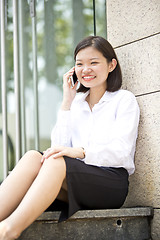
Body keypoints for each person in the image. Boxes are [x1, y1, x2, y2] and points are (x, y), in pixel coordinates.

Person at [0, 36, 140, 239]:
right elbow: (58, 147)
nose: (86, 69)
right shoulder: (76, 104)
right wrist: (67, 101)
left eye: (94, 62)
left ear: (111, 65)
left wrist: (81, 152)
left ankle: (8, 230)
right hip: (75, 181)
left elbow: (122, 152)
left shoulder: (123, 100)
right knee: (33, 156)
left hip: (111, 182)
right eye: (80, 64)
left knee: (56, 162)